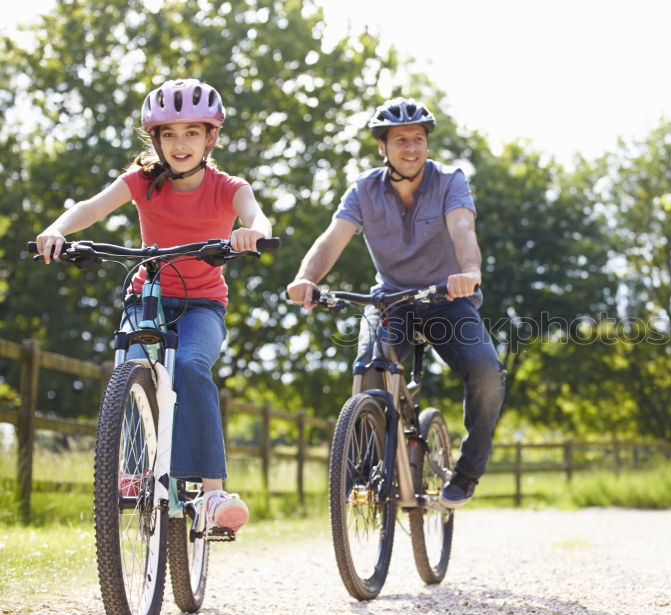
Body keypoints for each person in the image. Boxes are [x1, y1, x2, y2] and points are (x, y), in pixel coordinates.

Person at [35, 78, 273, 532]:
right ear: (156, 140)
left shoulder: (227, 186)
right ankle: (132, 468)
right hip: (150, 294)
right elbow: (91, 207)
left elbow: (256, 214)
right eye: (168, 134)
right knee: (130, 360)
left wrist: (252, 232)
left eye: (190, 132)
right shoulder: (142, 181)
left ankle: (212, 492)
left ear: (210, 137)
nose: (179, 143)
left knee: (189, 366)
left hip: (203, 305)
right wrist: (58, 230)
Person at [286, 97, 505, 508]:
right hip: (390, 301)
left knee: (486, 373)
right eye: (400, 140)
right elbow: (332, 239)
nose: (411, 148)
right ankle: (366, 474)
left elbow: (463, 228)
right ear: (382, 147)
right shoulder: (364, 191)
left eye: (418, 139)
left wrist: (469, 272)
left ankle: (468, 471)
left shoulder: (449, 181)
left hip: (446, 299)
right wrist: (305, 279)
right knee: (369, 371)